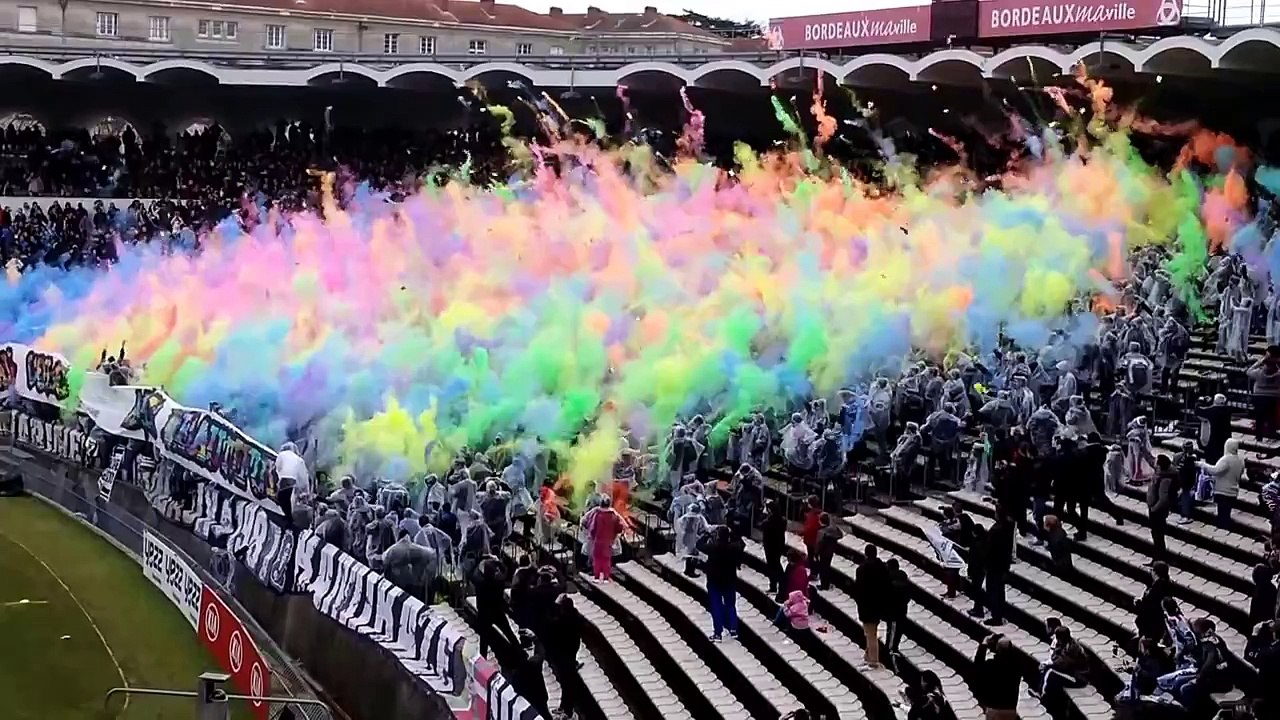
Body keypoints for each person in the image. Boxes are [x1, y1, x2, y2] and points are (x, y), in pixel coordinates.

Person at [698, 525, 743, 642]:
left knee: (716, 607)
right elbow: (742, 544)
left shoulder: (712, 547)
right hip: (729, 581)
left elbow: (699, 545)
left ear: (717, 536)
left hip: (714, 582)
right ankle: (733, 629)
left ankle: (718, 633)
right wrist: (732, 534)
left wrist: (706, 535)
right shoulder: (733, 547)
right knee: (731, 606)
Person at [544, 594, 583, 719]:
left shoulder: (560, 622)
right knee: (566, 684)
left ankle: (569, 712)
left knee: (567, 684)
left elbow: (550, 625)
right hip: (570, 652)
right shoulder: (574, 617)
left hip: (564, 655)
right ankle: (564, 707)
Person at [473, 554, 520, 658]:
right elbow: (506, 570)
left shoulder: (480, 581)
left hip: (484, 614)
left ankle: (483, 660)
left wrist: (481, 559)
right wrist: (497, 561)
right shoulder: (499, 582)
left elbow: (475, 570)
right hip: (497, 611)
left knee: (484, 640)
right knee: (509, 633)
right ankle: (521, 653)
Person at [1197, 437, 1244, 528]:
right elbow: (1241, 472)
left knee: (1222, 514)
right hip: (1233, 491)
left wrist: (1202, 465)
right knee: (1226, 513)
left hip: (1223, 491)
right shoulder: (1240, 460)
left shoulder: (1226, 460)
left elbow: (1215, 470)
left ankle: (1223, 529)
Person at [855, 543, 888, 667]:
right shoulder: (882, 568)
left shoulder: (862, 570)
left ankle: (873, 660)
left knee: (871, 634)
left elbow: (858, 590)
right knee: (870, 632)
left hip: (866, 606)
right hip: (879, 605)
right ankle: (868, 655)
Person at [974, 634, 1020, 720]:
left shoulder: (991, 665)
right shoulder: (1016, 667)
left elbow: (977, 666)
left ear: (997, 650)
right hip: (1010, 711)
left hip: (993, 710)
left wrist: (984, 644)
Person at [382, 527, 436, 599]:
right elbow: (431, 554)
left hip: (397, 583)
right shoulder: (416, 548)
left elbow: (385, 562)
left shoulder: (391, 550)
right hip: (414, 583)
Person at [1036, 625, 1089, 697]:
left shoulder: (1071, 648)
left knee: (1050, 672)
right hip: (1069, 672)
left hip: (1078, 678)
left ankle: (1041, 694)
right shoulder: (1061, 644)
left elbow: (1063, 664)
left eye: (1058, 638)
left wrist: (1048, 664)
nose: (1056, 640)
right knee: (1048, 671)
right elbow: (1054, 657)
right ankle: (1043, 694)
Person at [583, 503, 623, 582]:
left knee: (597, 559)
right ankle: (606, 578)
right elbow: (619, 528)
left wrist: (591, 536)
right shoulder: (613, 516)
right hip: (608, 541)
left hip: (597, 541)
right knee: (606, 560)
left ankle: (597, 577)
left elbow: (592, 527)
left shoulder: (596, 515)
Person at [1248, 347, 1280, 442]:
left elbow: (1248, 371)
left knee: (1259, 417)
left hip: (1259, 396)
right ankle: (1271, 435)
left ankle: (1259, 437)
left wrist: (1260, 361)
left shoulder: (1259, 372)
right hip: (1274, 396)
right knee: (1271, 417)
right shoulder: (1278, 374)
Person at [274, 441, 311, 525]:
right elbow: (304, 477)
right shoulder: (299, 460)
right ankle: (290, 520)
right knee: (288, 502)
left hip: (285, 483)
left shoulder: (282, 456)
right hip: (293, 484)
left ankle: (288, 519)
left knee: (283, 501)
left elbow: (278, 468)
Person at [1147, 455, 1176, 561]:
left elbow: (1163, 498)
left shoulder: (1165, 478)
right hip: (1155, 508)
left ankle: (1160, 558)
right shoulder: (1159, 473)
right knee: (1156, 535)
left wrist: (1154, 508)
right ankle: (1157, 558)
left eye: (1156, 461)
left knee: (1158, 535)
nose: (1154, 462)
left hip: (1158, 511)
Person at [1134, 562, 1172, 641]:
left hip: (1151, 625)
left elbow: (1149, 607)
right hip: (1156, 623)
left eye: (1152, 570)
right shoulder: (1165, 584)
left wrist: (1138, 604)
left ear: (1155, 573)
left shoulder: (1158, 588)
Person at [1195, 394, 1233, 464]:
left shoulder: (1213, 410)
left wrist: (1200, 401)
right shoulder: (1228, 410)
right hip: (1225, 439)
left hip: (1214, 441)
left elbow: (1198, 411)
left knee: (1212, 461)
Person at [883, 557, 909, 659]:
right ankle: (894, 647)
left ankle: (890, 649)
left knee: (891, 629)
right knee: (898, 629)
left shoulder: (888, 578)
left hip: (891, 609)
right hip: (902, 608)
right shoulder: (903, 577)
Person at [674, 501, 708, 578]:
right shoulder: (694, 518)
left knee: (690, 554)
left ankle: (688, 570)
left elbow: (679, 524)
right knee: (692, 554)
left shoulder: (686, 518)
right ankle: (690, 571)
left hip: (687, 537)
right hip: (690, 538)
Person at [814, 513, 844, 591]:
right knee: (827, 567)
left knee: (822, 569)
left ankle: (824, 585)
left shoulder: (821, 532)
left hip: (823, 552)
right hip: (830, 551)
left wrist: (816, 553)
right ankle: (826, 584)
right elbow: (840, 535)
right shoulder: (834, 530)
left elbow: (818, 544)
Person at [762, 500, 786, 594]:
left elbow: (766, 535)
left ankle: (774, 586)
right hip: (779, 546)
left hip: (770, 547)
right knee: (776, 565)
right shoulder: (782, 520)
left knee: (773, 567)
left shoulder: (768, 522)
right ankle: (777, 584)